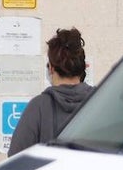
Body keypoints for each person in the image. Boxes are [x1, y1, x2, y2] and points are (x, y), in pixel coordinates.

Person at [7, 27, 93, 157]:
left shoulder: (38, 107)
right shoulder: (101, 103)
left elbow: (15, 159)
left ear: (51, 68)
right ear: (83, 67)